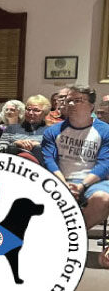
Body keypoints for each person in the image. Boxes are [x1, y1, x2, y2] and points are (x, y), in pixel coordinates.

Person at [41, 84, 109, 268]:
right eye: (68, 99)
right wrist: (63, 185)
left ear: (91, 106)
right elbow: (49, 161)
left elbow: (104, 164)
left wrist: (82, 186)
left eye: (77, 100)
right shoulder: (53, 131)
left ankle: (66, 238)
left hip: (93, 181)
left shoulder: (104, 131)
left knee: (103, 198)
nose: (70, 103)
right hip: (60, 179)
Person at [0, 95, 50, 161]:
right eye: (28, 109)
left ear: (45, 113)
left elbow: (52, 154)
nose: (30, 113)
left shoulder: (49, 131)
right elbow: (0, 151)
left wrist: (38, 146)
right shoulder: (11, 129)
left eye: (36, 110)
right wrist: (15, 144)